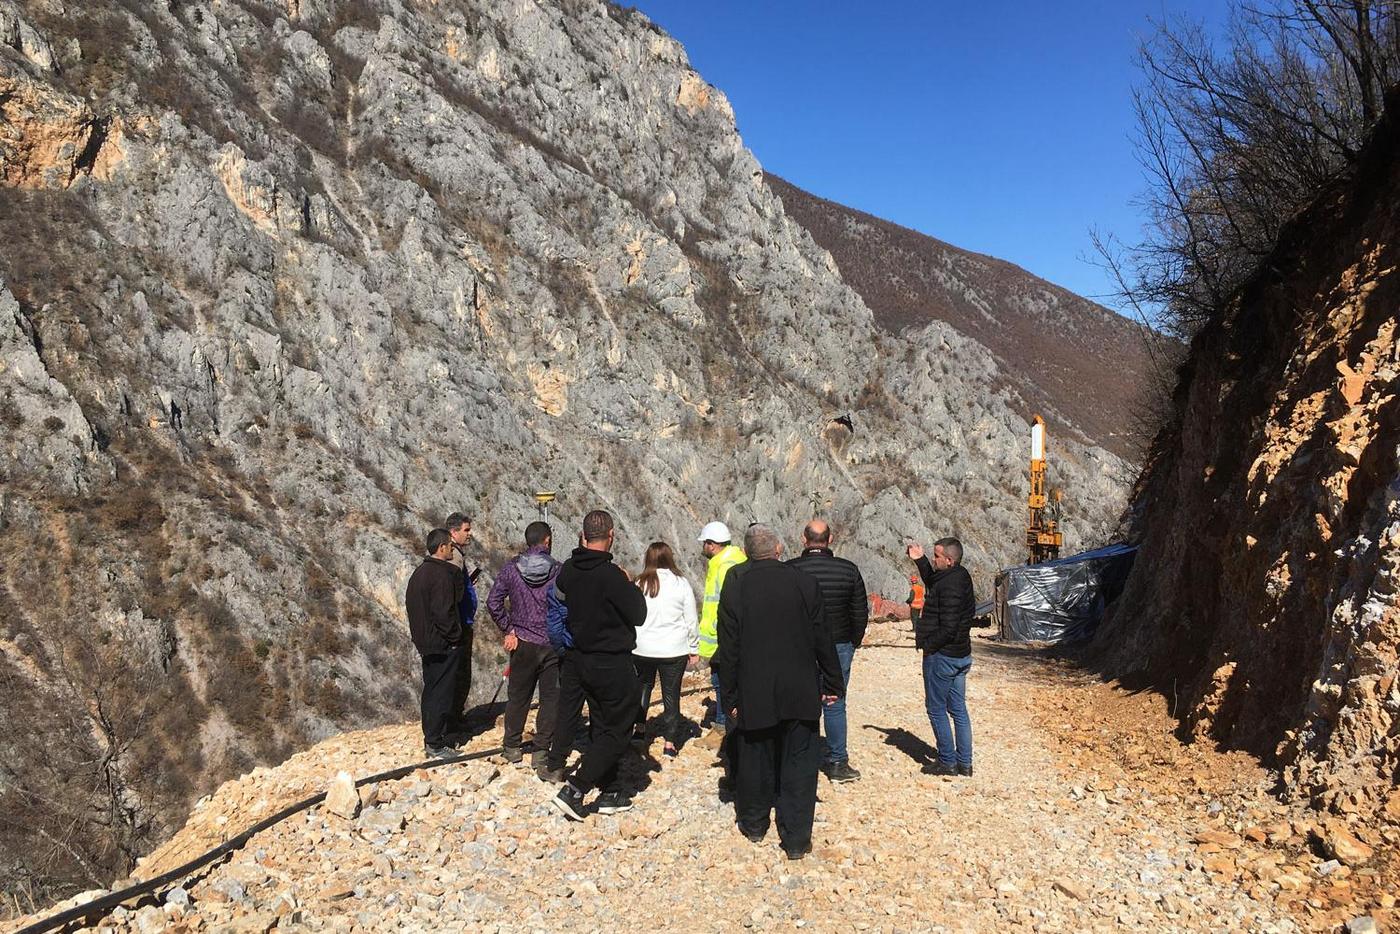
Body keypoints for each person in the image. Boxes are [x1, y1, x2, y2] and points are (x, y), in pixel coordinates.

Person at [716, 524, 843, 860]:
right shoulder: (803, 582)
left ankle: (755, 824)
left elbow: (728, 645)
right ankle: (797, 838)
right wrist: (833, 682)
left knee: (755, 756)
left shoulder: (736, 583)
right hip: (799, 686)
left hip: (753, 688)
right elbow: (822, 637)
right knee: (800, 763)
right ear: (778, 549)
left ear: (746, 553)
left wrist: (727, 696)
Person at [550, 510, 648, 820]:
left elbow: (561, 595)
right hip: (611, 660)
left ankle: (612, 791)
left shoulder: (569, 570)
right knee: (620, 727)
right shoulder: (611, 575)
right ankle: (576, 789)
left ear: (582, 535)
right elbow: (639, 615)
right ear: (611, 535)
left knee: (602, 725)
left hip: (581, 658)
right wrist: (628, 582)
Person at [788, 519, 869, 783]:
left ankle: (799, 760)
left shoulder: (790, 570)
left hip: (800, 646)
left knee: (800, 703)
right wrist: (853, 641)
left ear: (804, 539)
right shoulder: (848, 570)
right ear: (830, 540)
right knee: (835, 703)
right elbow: (859, 612)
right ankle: (837, 762)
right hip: (839, 644)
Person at [487, 521, 562, 774]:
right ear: (547, 541)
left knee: (518, 697)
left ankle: (511, 747)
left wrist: (508, 629)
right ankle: (541, 752)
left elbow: (493, 602)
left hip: (522, 641)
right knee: (550, 699)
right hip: (551, 643)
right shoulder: (558, 571)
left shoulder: (511, 568)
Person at [907, 537, 976, 777]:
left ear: (949, 559)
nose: (934, 559)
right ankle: (965, 763)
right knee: (958, 709)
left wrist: (928, 645)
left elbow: (948, 627)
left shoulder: (950, 586)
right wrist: (921, 560)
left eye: (936, 556)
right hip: (961, 655)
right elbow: (935, 580)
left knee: (936, 708)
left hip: (943, 656)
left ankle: (947, 762)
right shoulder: (958, 575)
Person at [632, 541, 699, 758]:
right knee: (671, 694)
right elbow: (690, 619)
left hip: (643, 648)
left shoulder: (640, 582)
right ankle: (670, 742)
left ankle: (640, 730)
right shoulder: (681, 583)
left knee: (643, 687)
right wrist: (693, 646)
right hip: (674, 648)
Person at [404, 528, 465, 758]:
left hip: (425, 642)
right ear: (441, 548)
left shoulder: (420, 573)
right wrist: (455, 636)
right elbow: (444, 614)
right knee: (441, 693)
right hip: (441, 644)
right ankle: (435, 744)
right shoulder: (441, 576)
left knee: (431, 690)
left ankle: (431, 738)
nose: (452, 548)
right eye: (450, 545)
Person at [696, 520, 746, 747]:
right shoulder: (733, 560)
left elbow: (723, 605)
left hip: (722, 637)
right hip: (728, 635)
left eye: (705, 543)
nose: (703, 548)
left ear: (712, 544)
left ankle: (722, 727)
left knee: (720, 683)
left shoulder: (723, 566)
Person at [444, 512, 479, 733]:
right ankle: (454, 719)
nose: (469, 534)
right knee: (460, 671)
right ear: (453, 532)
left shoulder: (456, 555)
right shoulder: (454, 557)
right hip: (460, 624)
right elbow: (451, 591)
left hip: (460, 620)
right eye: (465, 530)